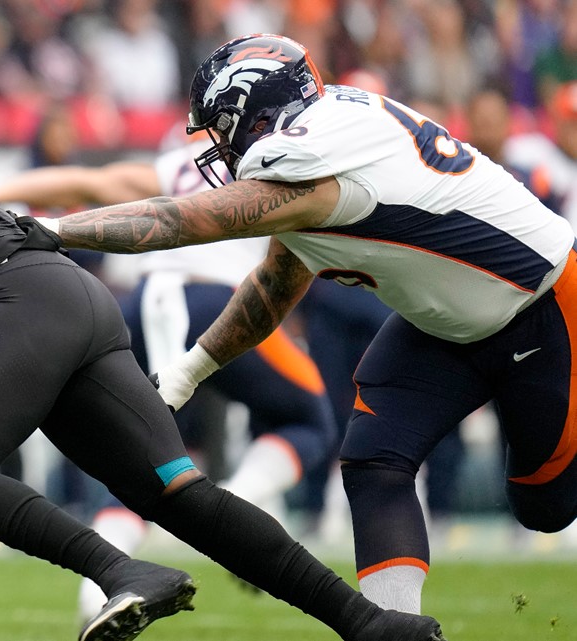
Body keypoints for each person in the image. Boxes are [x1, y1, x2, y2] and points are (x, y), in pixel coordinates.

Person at [0, 4, 446, 641]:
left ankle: (120, 569)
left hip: (13, 294)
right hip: (53, 296)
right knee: (178, 493)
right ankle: (367, 622)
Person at [39, 33, 577, 617]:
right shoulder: (324, 144)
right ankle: (393, 631)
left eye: (223, 126)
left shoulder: (311, 153)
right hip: (444, 326)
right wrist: (185, 376)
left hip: (544, 308)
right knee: (374, 459)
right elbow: (272, 288)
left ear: (259, 112)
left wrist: (55, 230)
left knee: (544, 509)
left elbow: (184, 220)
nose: (219, 147)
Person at [0, 135, 337, 621]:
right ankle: (240, 502)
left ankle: (97, 597)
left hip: (140, 305)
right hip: (220, 304)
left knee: (136, 460)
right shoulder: (274, 166)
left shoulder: (178, 167)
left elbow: (89, 183)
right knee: (309, 419)